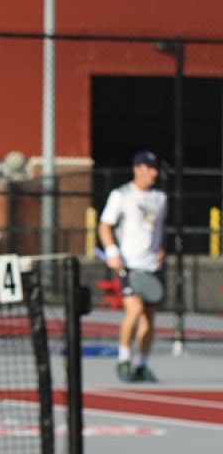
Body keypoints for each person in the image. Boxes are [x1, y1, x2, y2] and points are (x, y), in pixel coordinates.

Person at [99, 149, 168, 383]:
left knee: (149, 317)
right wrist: (112, 252)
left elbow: (158, 231)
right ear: (137, 169)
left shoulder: (160, 198)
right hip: (129, 265)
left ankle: (142, 364)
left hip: (152, 267)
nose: (153, 172)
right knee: (134, 310)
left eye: (155, 168)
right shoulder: (121, 195)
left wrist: (161, 249)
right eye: (149, 168)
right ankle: (124, 359)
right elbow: (105, 226)